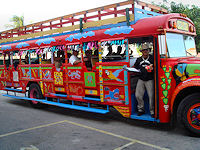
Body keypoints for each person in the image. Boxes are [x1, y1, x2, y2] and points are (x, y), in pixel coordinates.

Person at [134, 43, 154, 117]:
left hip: (150, 79)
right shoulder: (139, 59)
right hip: (141, 79)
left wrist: (152, 68)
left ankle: (152, 111)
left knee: (151, 96)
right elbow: (135, 67)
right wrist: (143, 69)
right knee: (138, 95)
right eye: (144, 50)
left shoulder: (152, 59)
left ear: (149, 51)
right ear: (141, 51)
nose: (145, 51)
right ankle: (141, 109)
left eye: (146, 50)